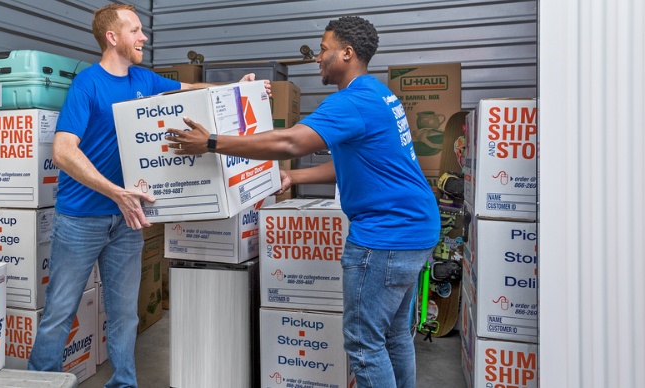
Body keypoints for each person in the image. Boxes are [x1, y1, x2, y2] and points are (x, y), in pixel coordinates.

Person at [164, 16, 439, 388]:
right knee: (393, 336)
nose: (318, 58)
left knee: (363, 344)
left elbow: (291, 142)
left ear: (347, 52)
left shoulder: (352, 101)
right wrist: (294, 176)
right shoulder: (379, 94)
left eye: (324, 49)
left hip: (384, 237)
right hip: (416, 230)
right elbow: (359, 166)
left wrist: (211, 142)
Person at [26, 4, 269, 388]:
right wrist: (115, 192)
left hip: (128, 219)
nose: (144, 37)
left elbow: (191, 91)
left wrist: (240, 89)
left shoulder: (144, 80)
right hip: (81, 218)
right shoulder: (87, 85)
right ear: (112, 37)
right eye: (135, 30)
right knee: (60, 309)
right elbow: (63, 152)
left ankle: (124, 383)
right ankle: (41, 381)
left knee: (125, 313)